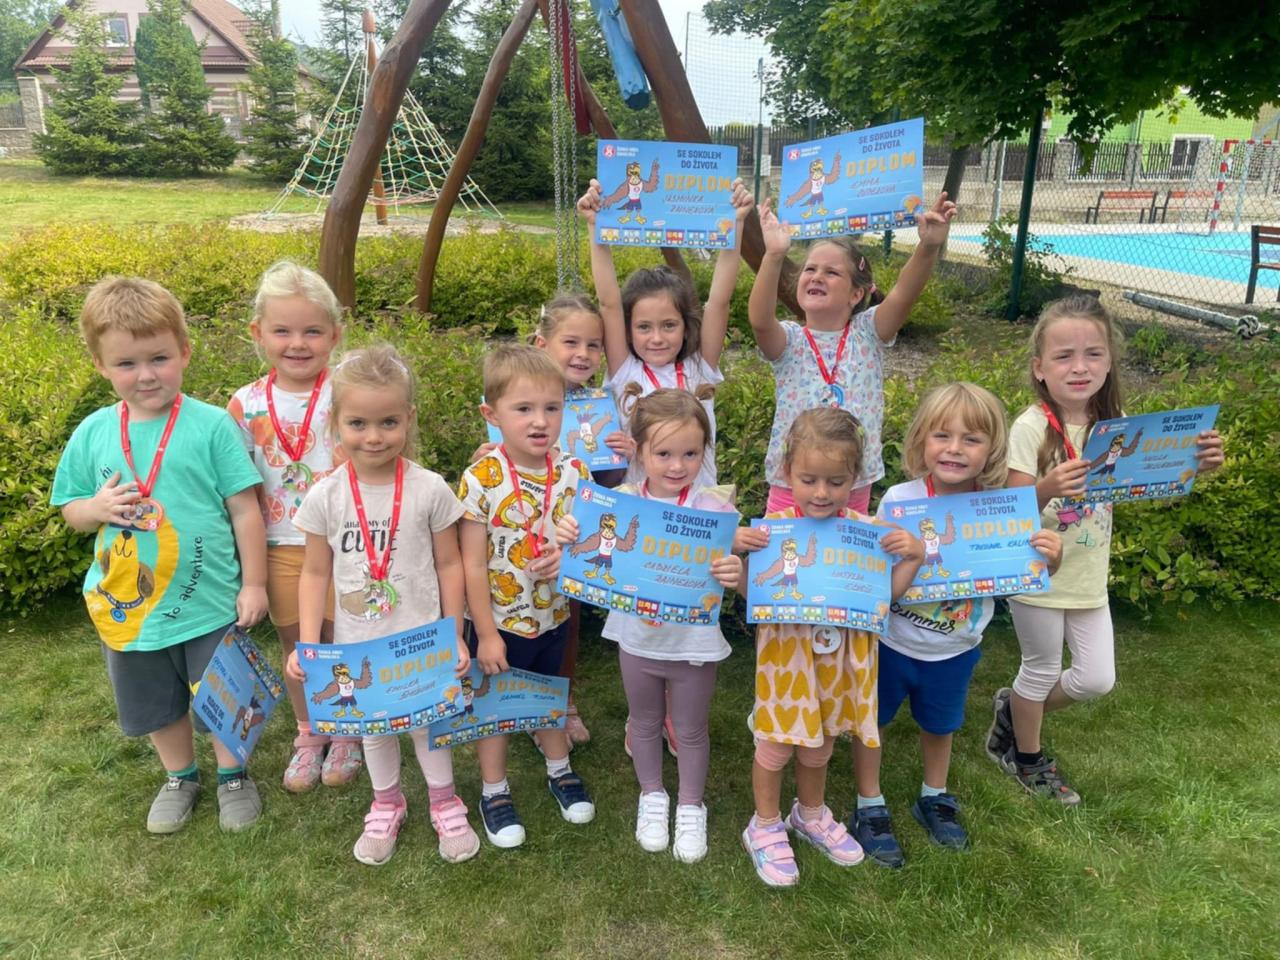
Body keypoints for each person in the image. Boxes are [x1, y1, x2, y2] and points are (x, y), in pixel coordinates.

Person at [986, 296, 1224, 804]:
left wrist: (1194, 462)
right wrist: (1049, 487)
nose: (1080, 367)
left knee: (1096, 679)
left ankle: (1014, 708)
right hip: (1037, 572)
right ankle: (1027, 758)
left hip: (1088, 573)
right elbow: (1008, 511)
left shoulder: (1117, 425)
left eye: (1093, 354)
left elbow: (1153, 479)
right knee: (1041, 669)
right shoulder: (1030, 427)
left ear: (1110, 361)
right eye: (1064, 356)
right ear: (1039, 367)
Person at [51, 276, 268, 834]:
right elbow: (70, 509)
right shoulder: (93, 433)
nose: (146, 375)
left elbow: (245, 510)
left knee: (222, 691)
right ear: (100, 365)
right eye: (126, 363)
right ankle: (180, 776)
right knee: (152, 699)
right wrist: (95, 507)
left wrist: (254, 584)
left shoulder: (212, 426)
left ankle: (233, 775)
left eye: (159, 358)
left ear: (185, 352)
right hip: (128, 608)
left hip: (209, 597)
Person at [287, 344, 480, 865]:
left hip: (421, 638)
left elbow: (450, 564)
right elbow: (315, 572)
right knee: (374, 729)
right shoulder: (325, 496)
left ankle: (445, 801)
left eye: (388, 422)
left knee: (426, 724)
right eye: (358, 423)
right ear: (336, 422)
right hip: (359, 644)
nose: (373, 436)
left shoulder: (429, 489)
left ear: (408, 418)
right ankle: (387, 803)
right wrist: (309, 643)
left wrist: (454, 633)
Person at [857, 383, 1062, 866]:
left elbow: (1022, 573)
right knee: (871, 724)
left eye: (971, 439)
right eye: (942, 435)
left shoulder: (1000, 507)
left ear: (992, 449)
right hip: (891, 642)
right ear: (921, 440)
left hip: (956, 647)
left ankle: (935, 795)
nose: (954, 449)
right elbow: (871, 576)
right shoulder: (900, 500)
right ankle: (869, 804)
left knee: (941, 725)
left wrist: (1051, 559)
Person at [555, 389, 743, 862]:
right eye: (663, 454)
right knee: (642, 721)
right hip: (637, 640)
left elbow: (737, 579)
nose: (677, 465)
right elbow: (579, 551)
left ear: (704, 451)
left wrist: (734, 572)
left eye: (690, 453)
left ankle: (691, 805)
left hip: (694, 643)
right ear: (638, 451)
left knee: (691, 729)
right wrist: (568, 532)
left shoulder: (716, 511)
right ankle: (652, 795)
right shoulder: (617, 503)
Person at [739, 408, 924, 887]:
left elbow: (885, 598)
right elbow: (757, 592)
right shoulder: (771, 530)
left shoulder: (867, 533)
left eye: (835, 482)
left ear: (855, 478)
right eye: (809, 480)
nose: (821, 492)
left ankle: (810, 813)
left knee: (820, 745)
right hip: (787, 662)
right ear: (787, 473)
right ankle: (764, 824)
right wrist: (736, 569)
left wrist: (915, 557)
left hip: (838, 663)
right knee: (775, 746)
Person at [227, 260, 363, 793]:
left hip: (347, 541)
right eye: (282, 331)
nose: (298, 343)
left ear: (335, 333)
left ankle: (348, 728)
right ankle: (310, 731)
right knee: (298, 646)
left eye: (312, 331)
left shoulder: (348, 390)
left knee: (344, 637)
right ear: (258, 333)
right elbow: (238, 487)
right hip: (281, 545)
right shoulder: (244, 404)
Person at [457, 344, 594, 848]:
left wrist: (569, 559)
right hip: (499, 623)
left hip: (554, 616)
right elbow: (471, 563)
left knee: (549, 693)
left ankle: (559, 767)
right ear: (491, 414)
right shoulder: (480, 479)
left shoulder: (576, 472)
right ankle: (494, 790)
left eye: (552, 407)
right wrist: (486, 634)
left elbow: (590, 545)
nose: (540, 421)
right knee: (493, 708)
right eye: (523, 409)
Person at [747, 194, 957, 514]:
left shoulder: (868, 333)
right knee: (784, 547)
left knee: (846, 547)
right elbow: (760, 321)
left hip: (851, 484)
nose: (817, 276)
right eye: (810, 269)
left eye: (832, 273)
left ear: (856, 293)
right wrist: (774, 255)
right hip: (793, 484)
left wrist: (928, 246)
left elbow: (903, 294)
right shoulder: (789, 341)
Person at [576, 177, 753, 494]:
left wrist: (736, 223)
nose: (656, 338)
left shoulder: (700, 368)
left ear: (686, 327)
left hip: (697, 505)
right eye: (644, 327)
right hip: (640, 507)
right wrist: (595, 226)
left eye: (669, 325)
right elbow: (609, 303)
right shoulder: (625, 370)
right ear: (628, 329)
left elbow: (719, 301)